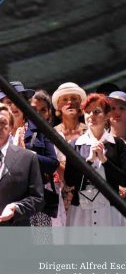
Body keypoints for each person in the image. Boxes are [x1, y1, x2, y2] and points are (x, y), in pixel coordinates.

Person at [62, 93, 126, 232]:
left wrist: (105, 161)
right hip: (81, 211)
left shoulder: (117, 144)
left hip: (110, 213)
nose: (91, 115)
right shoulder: (76, 144)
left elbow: (123, 180)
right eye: (87, 112)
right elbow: (70, 180)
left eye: (96, 111)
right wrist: (89, 161)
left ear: (106, 116)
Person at [0, 81, 59, 228]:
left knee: (40, 248)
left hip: (34, 204)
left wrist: (26, 154)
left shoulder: (39, 130)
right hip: (4, 202)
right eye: (8, 102)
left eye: (18, 101)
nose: (13, 106)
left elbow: (53, 164)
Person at [51, 82, 87, 228]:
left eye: (74, 98)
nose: (70, 102)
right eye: (65, 99)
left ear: (81, 104)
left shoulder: (90, 131)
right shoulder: (51, 133)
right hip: (59, 197)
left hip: (88, 195)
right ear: (58, 106)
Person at [0, 104, 44, 225]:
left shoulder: (28, 158)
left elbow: (38, 199)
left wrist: (16, 208)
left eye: (3, 123)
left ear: (10, 127)